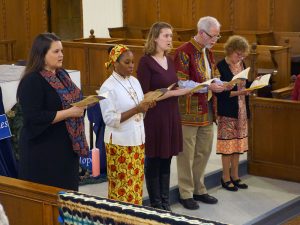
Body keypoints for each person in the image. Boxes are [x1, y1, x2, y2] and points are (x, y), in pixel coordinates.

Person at [17, 33, 88, 191]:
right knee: (48, 202)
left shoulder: (63, 75)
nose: (61, 55)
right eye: (56, 51)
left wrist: (83, 105)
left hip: (66, 149)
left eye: (61, 50)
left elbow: (73, 101)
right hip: (43, 152)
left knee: (67, 200)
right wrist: (69, 113)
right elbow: (33, 117)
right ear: (42, 54)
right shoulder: (32, 80)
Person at [137, 22, 190, 211]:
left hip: (171, 114)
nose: (170, 39)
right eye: (166, 35)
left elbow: (171, 85)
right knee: (154, 158)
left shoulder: (169, 59)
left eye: (171, 35)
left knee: (166, 157)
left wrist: (185, 88)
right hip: (155, 116)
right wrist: (175, 93)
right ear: (155, 38)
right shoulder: (145, 61)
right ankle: (155, 204)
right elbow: (144, 94)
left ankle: (165, 203)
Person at [174, 16, 225, 210]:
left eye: (218, 36)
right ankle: (185, 192)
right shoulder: (183, 52)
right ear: (202, 33)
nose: (215, 40)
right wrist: (208, 86)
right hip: (188, 111)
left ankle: (199, 188)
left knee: (203, 151)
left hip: (208, 109)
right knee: (186, 154)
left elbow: (214, 75)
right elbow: (181, 82)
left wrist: (221, 83)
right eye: (214, 36)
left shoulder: (208, 51)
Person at [99, 44, 154, 205]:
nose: (131, 66)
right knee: (122, 188)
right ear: (115, 63)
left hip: (137, 139)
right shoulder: (107, 87)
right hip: (119, 144)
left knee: (136, 184)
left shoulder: (135, 81)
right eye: (127, 62)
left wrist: (146, 107)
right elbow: (109, 119)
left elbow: (139, 111)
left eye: (132, 62)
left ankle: (133, 217)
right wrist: (137, 108)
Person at [216, 35, 253, 191]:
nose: (240, 57)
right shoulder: (221, 66)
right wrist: (239, 92)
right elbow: (220, 93)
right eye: (238, 54)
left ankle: (236, 176)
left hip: (242, 110)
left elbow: (244, 84)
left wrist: (254, 84)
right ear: (230, 50)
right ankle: (225, 177)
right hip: (227, 111)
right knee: (227, 146)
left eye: (243, 55)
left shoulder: (242, 64)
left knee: (238, 144)